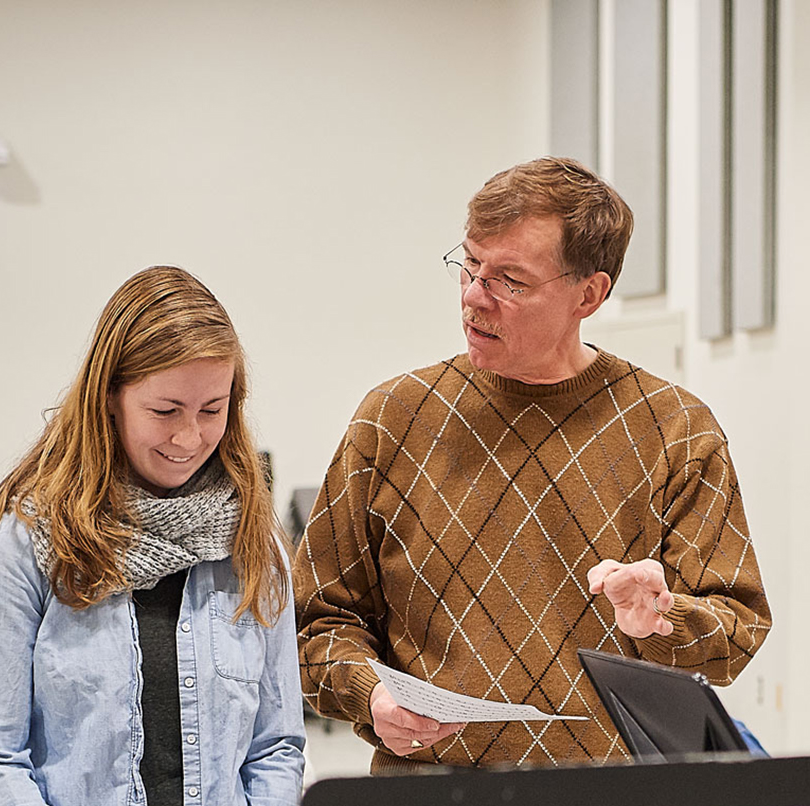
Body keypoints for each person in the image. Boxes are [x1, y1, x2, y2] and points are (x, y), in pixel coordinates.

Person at [294, 156, 771, 773]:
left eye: (508, 281)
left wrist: (664, 619)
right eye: (469, 265)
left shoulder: (675, 430)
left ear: (588, 295)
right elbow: (315, 624)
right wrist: (372, 695)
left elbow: (735, 636)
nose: (472, 297)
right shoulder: (393, 419)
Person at [0, 266, 310, 806]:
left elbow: (276, 744)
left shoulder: (253, 543)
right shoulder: (30, 543)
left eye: (213, 410)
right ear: (110, 397)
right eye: (165, 411)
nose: (188, 438)